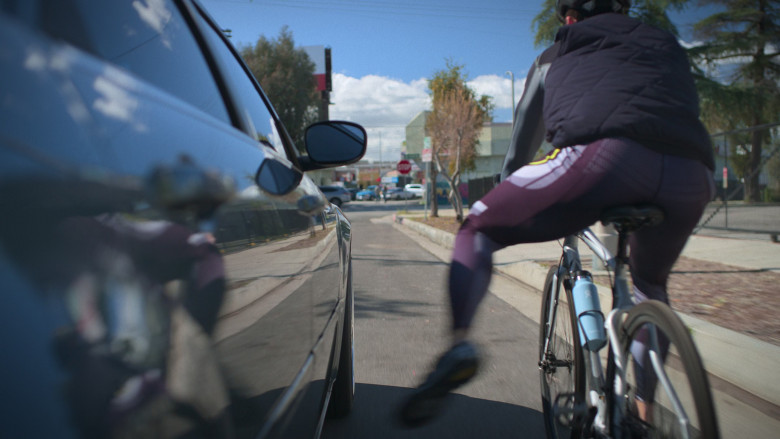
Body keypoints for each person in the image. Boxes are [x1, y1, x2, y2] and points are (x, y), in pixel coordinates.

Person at [399, 0, 715, 427]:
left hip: (604, 160)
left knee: (475, 225)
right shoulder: (665, 44)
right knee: (650, 287)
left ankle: (458, 346)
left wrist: (513, 192)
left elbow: (519, 152)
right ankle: (642, 413)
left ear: (568, 18)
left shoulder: (557, 53)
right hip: (691, 174)